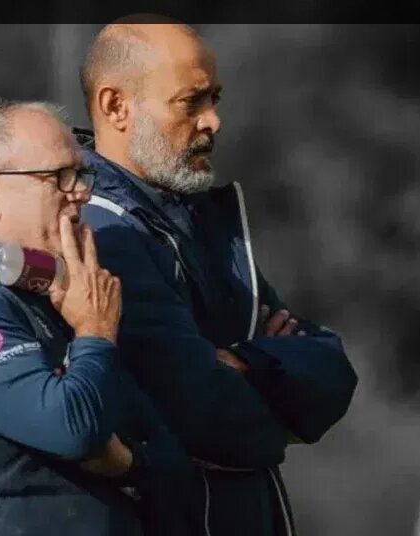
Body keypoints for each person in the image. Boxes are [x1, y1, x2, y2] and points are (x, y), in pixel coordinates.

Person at [77, 21, 359, 535]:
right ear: (116, 106)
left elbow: (333, 371)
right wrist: (276, 392)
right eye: (191, 102)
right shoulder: (102, 234)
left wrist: (247, 362)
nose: (213, 121)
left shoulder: (200, 222)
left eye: (215, 99)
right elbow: (202, 412)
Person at [0, 100, 193, 536]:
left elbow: (170, 458)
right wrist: (95, 333)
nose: (81, 193)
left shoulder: (61, 296)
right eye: (59, 177)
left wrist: (127, 462)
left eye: (81, 175)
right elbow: (74, 429)